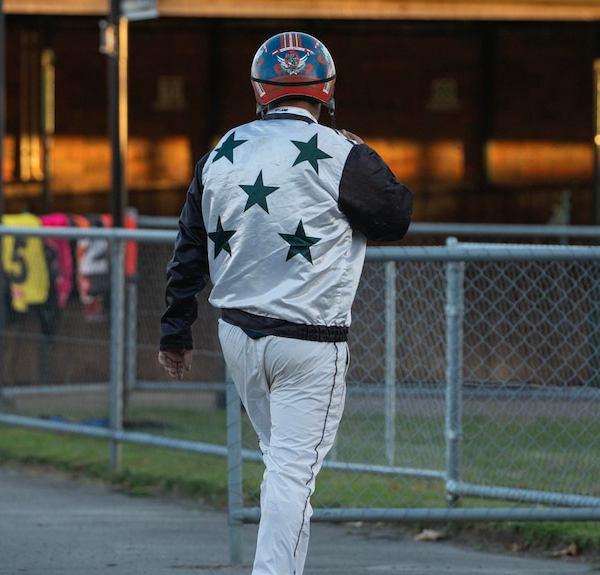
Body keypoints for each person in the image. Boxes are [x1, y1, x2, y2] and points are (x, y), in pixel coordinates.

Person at [158, 31, 413, 575]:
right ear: (327, 89)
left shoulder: (220, 153)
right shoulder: (340, 153)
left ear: (259, 89)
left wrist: (175, 334)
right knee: (293, 473)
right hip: (310, 342)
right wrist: (362, 150)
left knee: (281, 466)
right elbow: (396, 217)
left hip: (238, 337)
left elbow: (188, 251)